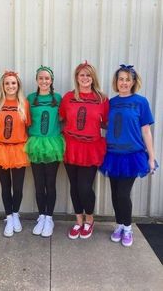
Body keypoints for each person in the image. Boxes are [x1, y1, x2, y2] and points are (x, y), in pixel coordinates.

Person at [100, 64, 157, 247]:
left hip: (132, 156)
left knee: (123, 194)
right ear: (116, 82)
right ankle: (118, 225)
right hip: (113, 155)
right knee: (115, 194)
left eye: (128, 79)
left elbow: (146, 131)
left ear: (133, 82)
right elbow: (107, 124)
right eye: (121, 79)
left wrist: (151, 157)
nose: (124, 82)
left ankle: (128, 228)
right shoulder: (111, 102)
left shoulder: (141, 102)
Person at [59, 61, 109, 239]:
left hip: (90, 148)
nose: (85, 78)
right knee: (74, 186)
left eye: (88, 75)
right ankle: (78, 221)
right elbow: (62, 119)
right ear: (77, 77)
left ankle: (89, 220)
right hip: (71, 147)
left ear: (93, 77)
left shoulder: (102, 99)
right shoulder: (68, 97)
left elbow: (106, 123)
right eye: (82, 75)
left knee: (85, 187)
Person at [0, 70, 31, 237]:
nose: (10, 86)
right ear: (3, 86)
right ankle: (8, 216)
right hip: (0, 149)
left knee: (18, 187)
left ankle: (15, 214)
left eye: (13, 83)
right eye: (7, 83)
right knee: (5, 186)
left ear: (18, 85)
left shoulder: (23, 104)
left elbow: (27, 124)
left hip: (19, 149)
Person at [25, 65, 65, 237]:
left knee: (51, 182)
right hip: (35, 144)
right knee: (38, 183)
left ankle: (49, 218)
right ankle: (41, 215)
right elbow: (26, 121)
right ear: (36, 80)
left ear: (51, 81)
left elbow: (63, 119)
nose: (44, 81)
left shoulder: (57, 98)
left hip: (53, 144)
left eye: (47, 78)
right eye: (40, 78)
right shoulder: (30, 98)